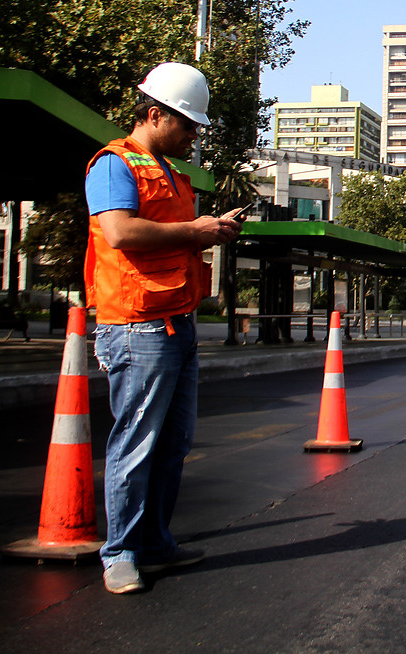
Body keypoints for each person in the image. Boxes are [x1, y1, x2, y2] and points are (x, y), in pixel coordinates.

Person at [85, 62, 243, 595]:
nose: (193, 135)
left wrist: (209, 231)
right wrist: (193, 229)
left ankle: (154, 542)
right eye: (187, 124)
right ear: (155, 115)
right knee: (136, 444)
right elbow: (121, 232)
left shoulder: (172, 174)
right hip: (136, 326)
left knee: (173, 443)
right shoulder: (113, 166)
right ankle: (120, 554)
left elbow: (174, 237)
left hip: (176, 321)